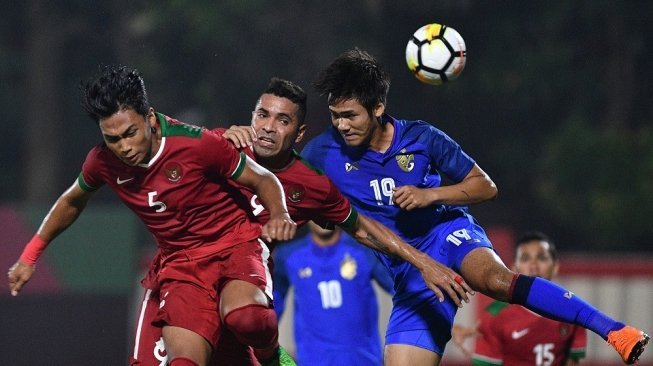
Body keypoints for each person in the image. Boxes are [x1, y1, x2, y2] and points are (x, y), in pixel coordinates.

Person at [299, 48, 649, 365]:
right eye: (334, 115)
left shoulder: (422, 138)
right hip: (409, 269)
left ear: (377, 108)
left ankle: (613, 329)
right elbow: (283, 177)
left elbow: (486, 186)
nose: (341, 125)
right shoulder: (322, 152)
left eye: (349, 115)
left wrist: (430, 195)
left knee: (497, 280)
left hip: (446, 231)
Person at [130, 77, 474, 365]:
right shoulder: (223, 146)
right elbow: (164, 142)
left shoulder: (310, 184)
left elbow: (366, 230)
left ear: (298, 133)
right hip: (182, 280)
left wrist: (425, 262)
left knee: (246, 318)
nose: (268, 127)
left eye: (282, 120)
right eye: (262, 115)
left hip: (239, 296)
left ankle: (270, 354)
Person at [7, 66, 299, 366]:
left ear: (149, 118)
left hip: (234, 244)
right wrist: (30, 256)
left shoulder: (196, 144)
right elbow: (72, 201)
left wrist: (280, 213)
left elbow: (262, 179)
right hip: (181, 264)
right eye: (113, 138)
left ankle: (272, 357)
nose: (124, 147)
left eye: (130, 133)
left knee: (246, 318)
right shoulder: (102, 162)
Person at [452, 231, 588, 365]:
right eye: (525, 258)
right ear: (514, 268)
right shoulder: (495, 315)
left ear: (555, 266)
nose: (534, 266)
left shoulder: (573, 311)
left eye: (541, 258)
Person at [273, 221, 394, 365]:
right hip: (313, 361)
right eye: (314, 211)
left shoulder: (364, 251)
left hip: (363, 360)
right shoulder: (289, 256)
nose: (320, 217)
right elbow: (272, 307)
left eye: (325, 208)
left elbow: (400, 290)